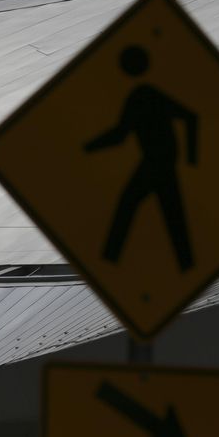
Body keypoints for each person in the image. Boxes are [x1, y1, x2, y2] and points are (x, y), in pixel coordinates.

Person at [84, 45, 197, 272]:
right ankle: (186, 264)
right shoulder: (144, 95)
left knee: (129, 205)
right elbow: (121, 135)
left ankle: (110, 261)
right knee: (171, 216)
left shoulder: (144, 95)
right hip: (161, 162)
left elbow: (120, 135)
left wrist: (192, 159)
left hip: (157, 163)